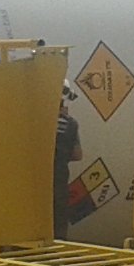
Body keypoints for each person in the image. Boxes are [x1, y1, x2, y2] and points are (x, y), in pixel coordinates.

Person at [51, 81, 82, 239]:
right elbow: (77, 155)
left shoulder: (35, 120)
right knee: (59, 220)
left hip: (34, 180)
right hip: (60, 177)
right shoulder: (71, 124)